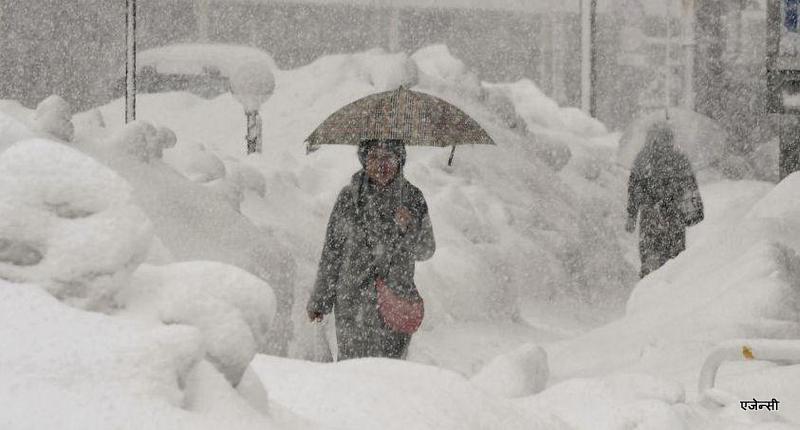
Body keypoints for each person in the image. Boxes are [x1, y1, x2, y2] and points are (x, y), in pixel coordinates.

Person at [307, 139, 436, 360]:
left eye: (388, 157)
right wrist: (320, 300)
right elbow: (332, 251)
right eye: (374, 157)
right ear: (364, 160)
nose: (381, 164)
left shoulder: (413, 198)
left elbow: (426, 249)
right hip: (352, 304)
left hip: (396, 301)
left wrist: (410, 227)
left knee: (391, 377)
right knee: (353, 373)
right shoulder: (348, 198)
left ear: (400, 159)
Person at [626, 124, 703, 278]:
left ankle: (650, 287)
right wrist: (693, 212)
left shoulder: (642, 160)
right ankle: (669, 289)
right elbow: (690, 189)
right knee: (674, 260)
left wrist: (632, 215)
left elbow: (634, 190)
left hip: (651, 218)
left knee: (651, 257)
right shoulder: (679, 159)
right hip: (674, 218)